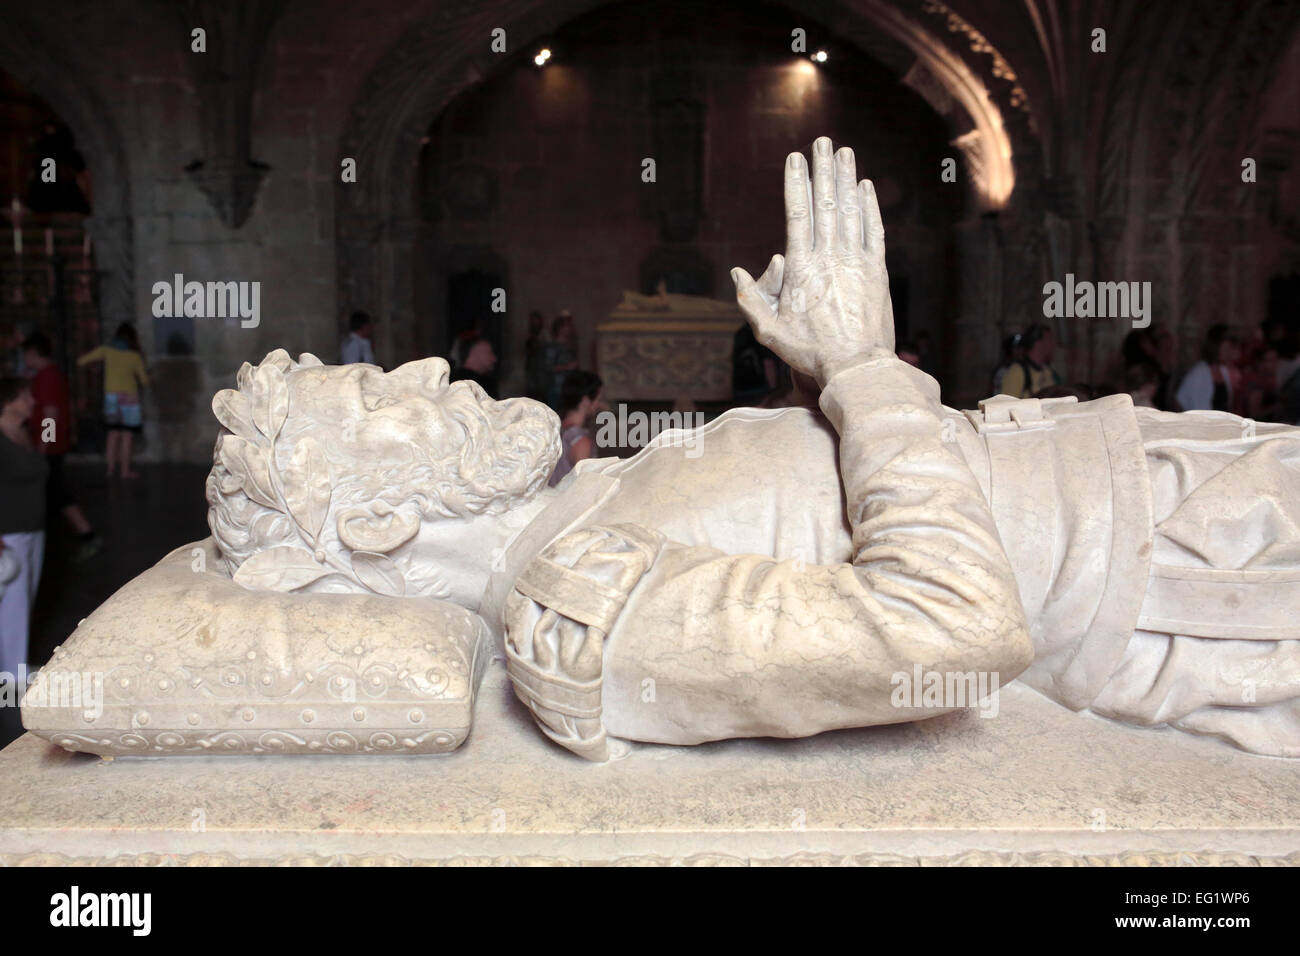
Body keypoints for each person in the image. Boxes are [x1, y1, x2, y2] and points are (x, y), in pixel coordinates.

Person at [207, 137, 1300, 762]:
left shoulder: (583, 502)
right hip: (1191, 582)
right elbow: (955, 626)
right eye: (382, 401)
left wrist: (823, 370)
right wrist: (868, 369)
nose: (425, 373)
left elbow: (830, 505)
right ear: (375, 520)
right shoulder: (580, 606)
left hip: (1153, 481)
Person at [21, 333, 101, 561]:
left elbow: (50, 415)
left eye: (25, 355)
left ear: (33, 353)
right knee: (54, 492)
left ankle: (88, 535)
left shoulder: (47, 377)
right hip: (53, 445)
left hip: (50, 447)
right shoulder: (49, 375)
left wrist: (43, 446)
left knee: (57, 492)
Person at [0, 377, 48, 684]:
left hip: (33, 527)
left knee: (23, 599)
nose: (31, 400)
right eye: (25, 396)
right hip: (8, 531)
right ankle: (12, 671)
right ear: (8, 402)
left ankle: (14, 665)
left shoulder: (24, 433)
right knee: (12, 599)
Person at [77, 322, 149, 479]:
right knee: (126, 436)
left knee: (112, 435)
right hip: (129, 398)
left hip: (111, 398)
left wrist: (95, 367)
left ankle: (110, 469)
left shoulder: (106, 351)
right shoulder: (134, 356)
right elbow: (144, 381)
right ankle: (125, 471)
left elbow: (81, 361)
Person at [548, 370, 607, 487]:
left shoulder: (552, 430)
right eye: (598, 400)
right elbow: (584, 486)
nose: (600, 405)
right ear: (585, 401)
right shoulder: (580, 441)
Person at [1175, 323, 1240, 412]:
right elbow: (1200, 411)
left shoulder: (1223, 370)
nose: (1231, 353)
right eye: (1227, 349)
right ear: (1215, 348)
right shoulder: (1200, 373)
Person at [998, 323, 1062, 398]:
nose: (1053, 345)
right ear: (1038, 343)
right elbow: (1006, 405)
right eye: (1050, 340)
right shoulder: (1017, 371)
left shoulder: (1048, 371)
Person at [448, 330, 499, 397]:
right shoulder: (460, 383)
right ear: (475, 352)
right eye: (489, 352)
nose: (494, 359)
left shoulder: (486, 381)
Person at [547, 311, 579, 410]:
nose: (569, 329)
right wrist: (567, 367)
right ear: (560, 328)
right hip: (556, 387)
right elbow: (548, 367)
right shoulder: (553, 347)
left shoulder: (570, 346)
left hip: (568, 387)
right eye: (566, 326)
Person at [524, 311, 552, 403]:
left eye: (536, 321)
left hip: (542, 370)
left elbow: (546, 349)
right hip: (532, 369)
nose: (534, 323)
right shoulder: (530, 333)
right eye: (532, 321)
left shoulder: (544, 334)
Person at [990, 332, 1024, 396]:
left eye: (1021, 348)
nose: (1020, 351)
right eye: (1016, 348)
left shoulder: (1022, 369)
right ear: (1009, 350)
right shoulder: (1003, 370)